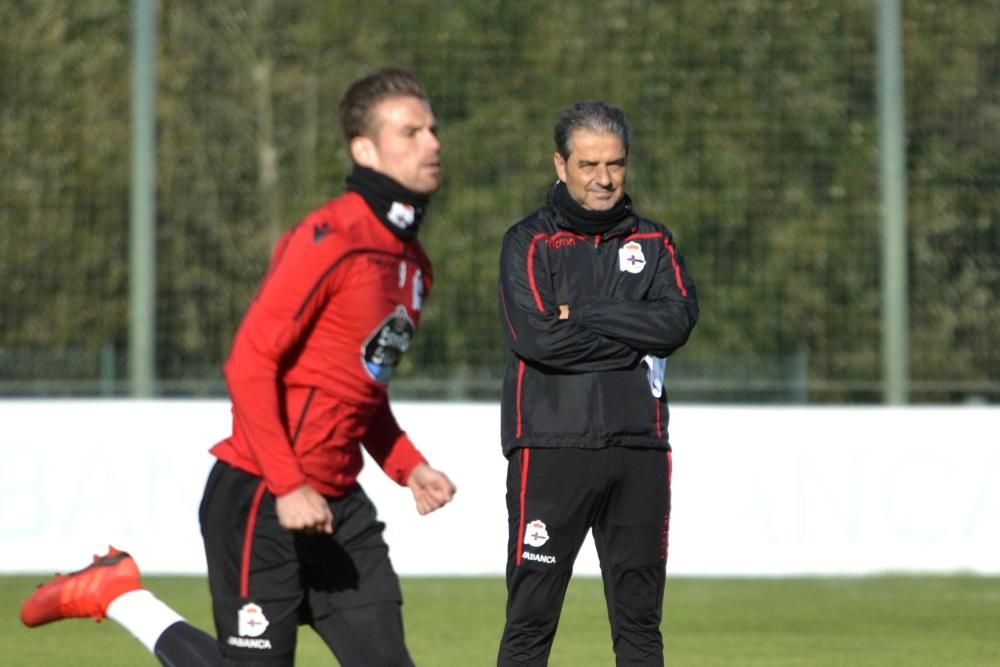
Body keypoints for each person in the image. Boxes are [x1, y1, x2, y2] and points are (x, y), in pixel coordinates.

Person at [21, 67, 456, 667]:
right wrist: (288, 484)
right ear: (365, 148)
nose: (432, 143)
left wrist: (408, 466)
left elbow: (360, 385)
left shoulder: (414, 264)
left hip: (337, 506)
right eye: (410, 132)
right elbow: (250, 362)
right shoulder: (331, 238)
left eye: (432, 129)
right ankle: (120, 595)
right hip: (261, 494)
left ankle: (117, 591)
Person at [495, 101, 698, 666]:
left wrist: (579, 311)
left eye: (615, 164)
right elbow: (537, 341)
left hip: (640, 449)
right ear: (560, 166)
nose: (604, 178)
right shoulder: (528, 243)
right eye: (589, 165)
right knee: (531, 621)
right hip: (552, 448)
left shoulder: (655, 242)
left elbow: (677, 321)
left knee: (640, 624)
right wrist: (634, 332)